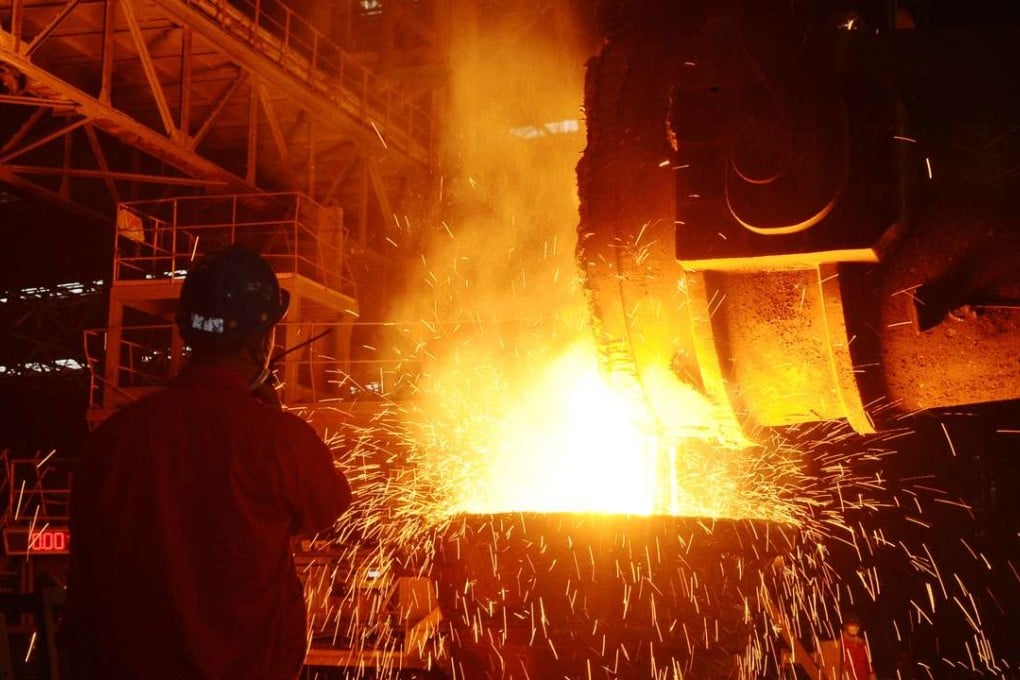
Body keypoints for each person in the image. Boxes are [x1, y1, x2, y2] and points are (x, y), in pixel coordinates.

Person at [65, 244, 352, 679]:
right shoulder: (279, 441)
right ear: (262, 340)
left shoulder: (110, 443)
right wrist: (270, 419)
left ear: (187, 331)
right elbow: (330, 505)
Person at [840, 613, 877, 680]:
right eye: (852, 625)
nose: (856, 628)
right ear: (845, 626)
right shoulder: (839, 645)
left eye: (857, 625)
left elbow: (870, 669)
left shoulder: (862, 644)